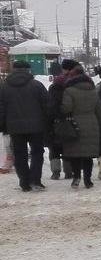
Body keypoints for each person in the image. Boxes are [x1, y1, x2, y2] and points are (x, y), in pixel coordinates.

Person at [0, 60, 50, 191]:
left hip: (14, 127)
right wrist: (47, 122)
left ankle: (24, 182)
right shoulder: (37, 85)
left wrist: (3, 125)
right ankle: (35, 180)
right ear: (28, 70)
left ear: (14, 69)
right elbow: (47, 105)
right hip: (36, 126)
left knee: (19, 154)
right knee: (37, 152)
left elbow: (1, 108)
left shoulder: (4, 87)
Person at [58, 62, 101, 189]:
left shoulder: (69, 91)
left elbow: (67, 108)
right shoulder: (93, 90)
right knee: (88, 155)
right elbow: (99, 110)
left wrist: (61, 109)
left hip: (74, 125)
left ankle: (77, 177)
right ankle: (88, 180)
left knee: (75, 155)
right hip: (92, 124)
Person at [46, 59, 78, 181]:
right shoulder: (74, 85)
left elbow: (49, 105)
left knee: (54, 147)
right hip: (70, 119)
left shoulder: (53, 87)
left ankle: (55, 171)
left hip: (55, 120)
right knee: (68, 146)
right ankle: (69, 171)